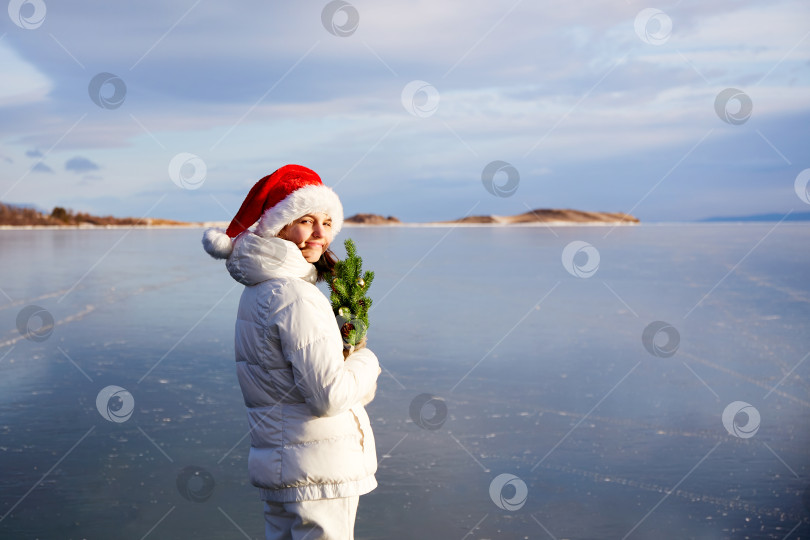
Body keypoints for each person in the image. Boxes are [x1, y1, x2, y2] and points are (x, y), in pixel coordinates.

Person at [202, 164, 381, 540]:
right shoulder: (295, 295)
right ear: (278, 226)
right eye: (306, 220)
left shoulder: (259, 290)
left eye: (328, 222)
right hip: (320, 470)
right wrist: (366, 359)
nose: (320, 234)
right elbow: (329, 396)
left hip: (285, 465)